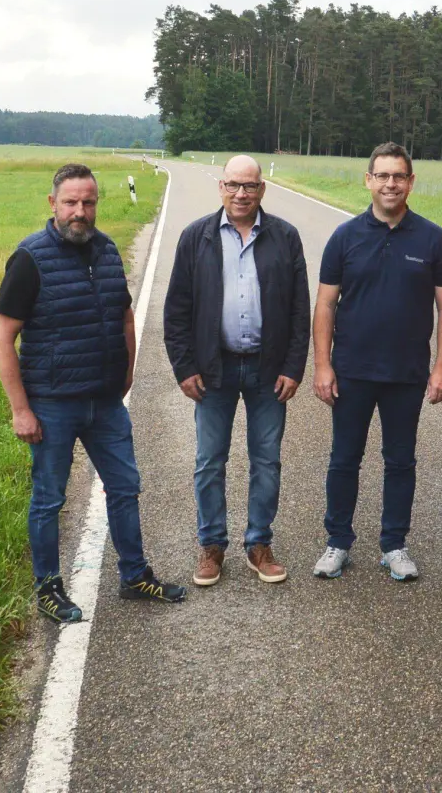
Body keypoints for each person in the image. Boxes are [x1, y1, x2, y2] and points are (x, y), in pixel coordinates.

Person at [0, 163, 186, 623]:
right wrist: (21, 410)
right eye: (71, 202)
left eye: (88, 202)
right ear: (53, 204)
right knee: (49, 499)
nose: (79, 211)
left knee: (125, 488)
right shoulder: (30, 258)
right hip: (52, 404)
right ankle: (48, 588)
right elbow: (2, 338)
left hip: (105, 402)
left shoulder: (108, 250)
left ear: (97, 203)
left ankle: (134, 576)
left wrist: (127, 373)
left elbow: (124, 316)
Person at [312, 142, 442, 582]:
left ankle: (394, 544)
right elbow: (325, 305)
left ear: (411, 183)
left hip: (406, 373)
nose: (390, 184)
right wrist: (322, 365)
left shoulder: (432, 239)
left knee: (400, 462)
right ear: (368, 180)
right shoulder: (344, 237)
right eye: (382, 176)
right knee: (344, 459)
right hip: (351, 371)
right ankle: (338, 542)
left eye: (398, 176)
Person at [164, 155, 310, 587]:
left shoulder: (285, 237)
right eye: (233, 185)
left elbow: (300, 310)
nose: (241, 194)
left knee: (267, 461)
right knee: (210, 460)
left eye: (249, 186)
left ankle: (258, 543)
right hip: (214, 369)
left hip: (268, 370)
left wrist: (293, 367)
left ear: (262, 189)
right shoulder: (196, 238)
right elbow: (177, 310)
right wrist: (184, 367)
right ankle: (212, 545)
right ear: (221, 187)